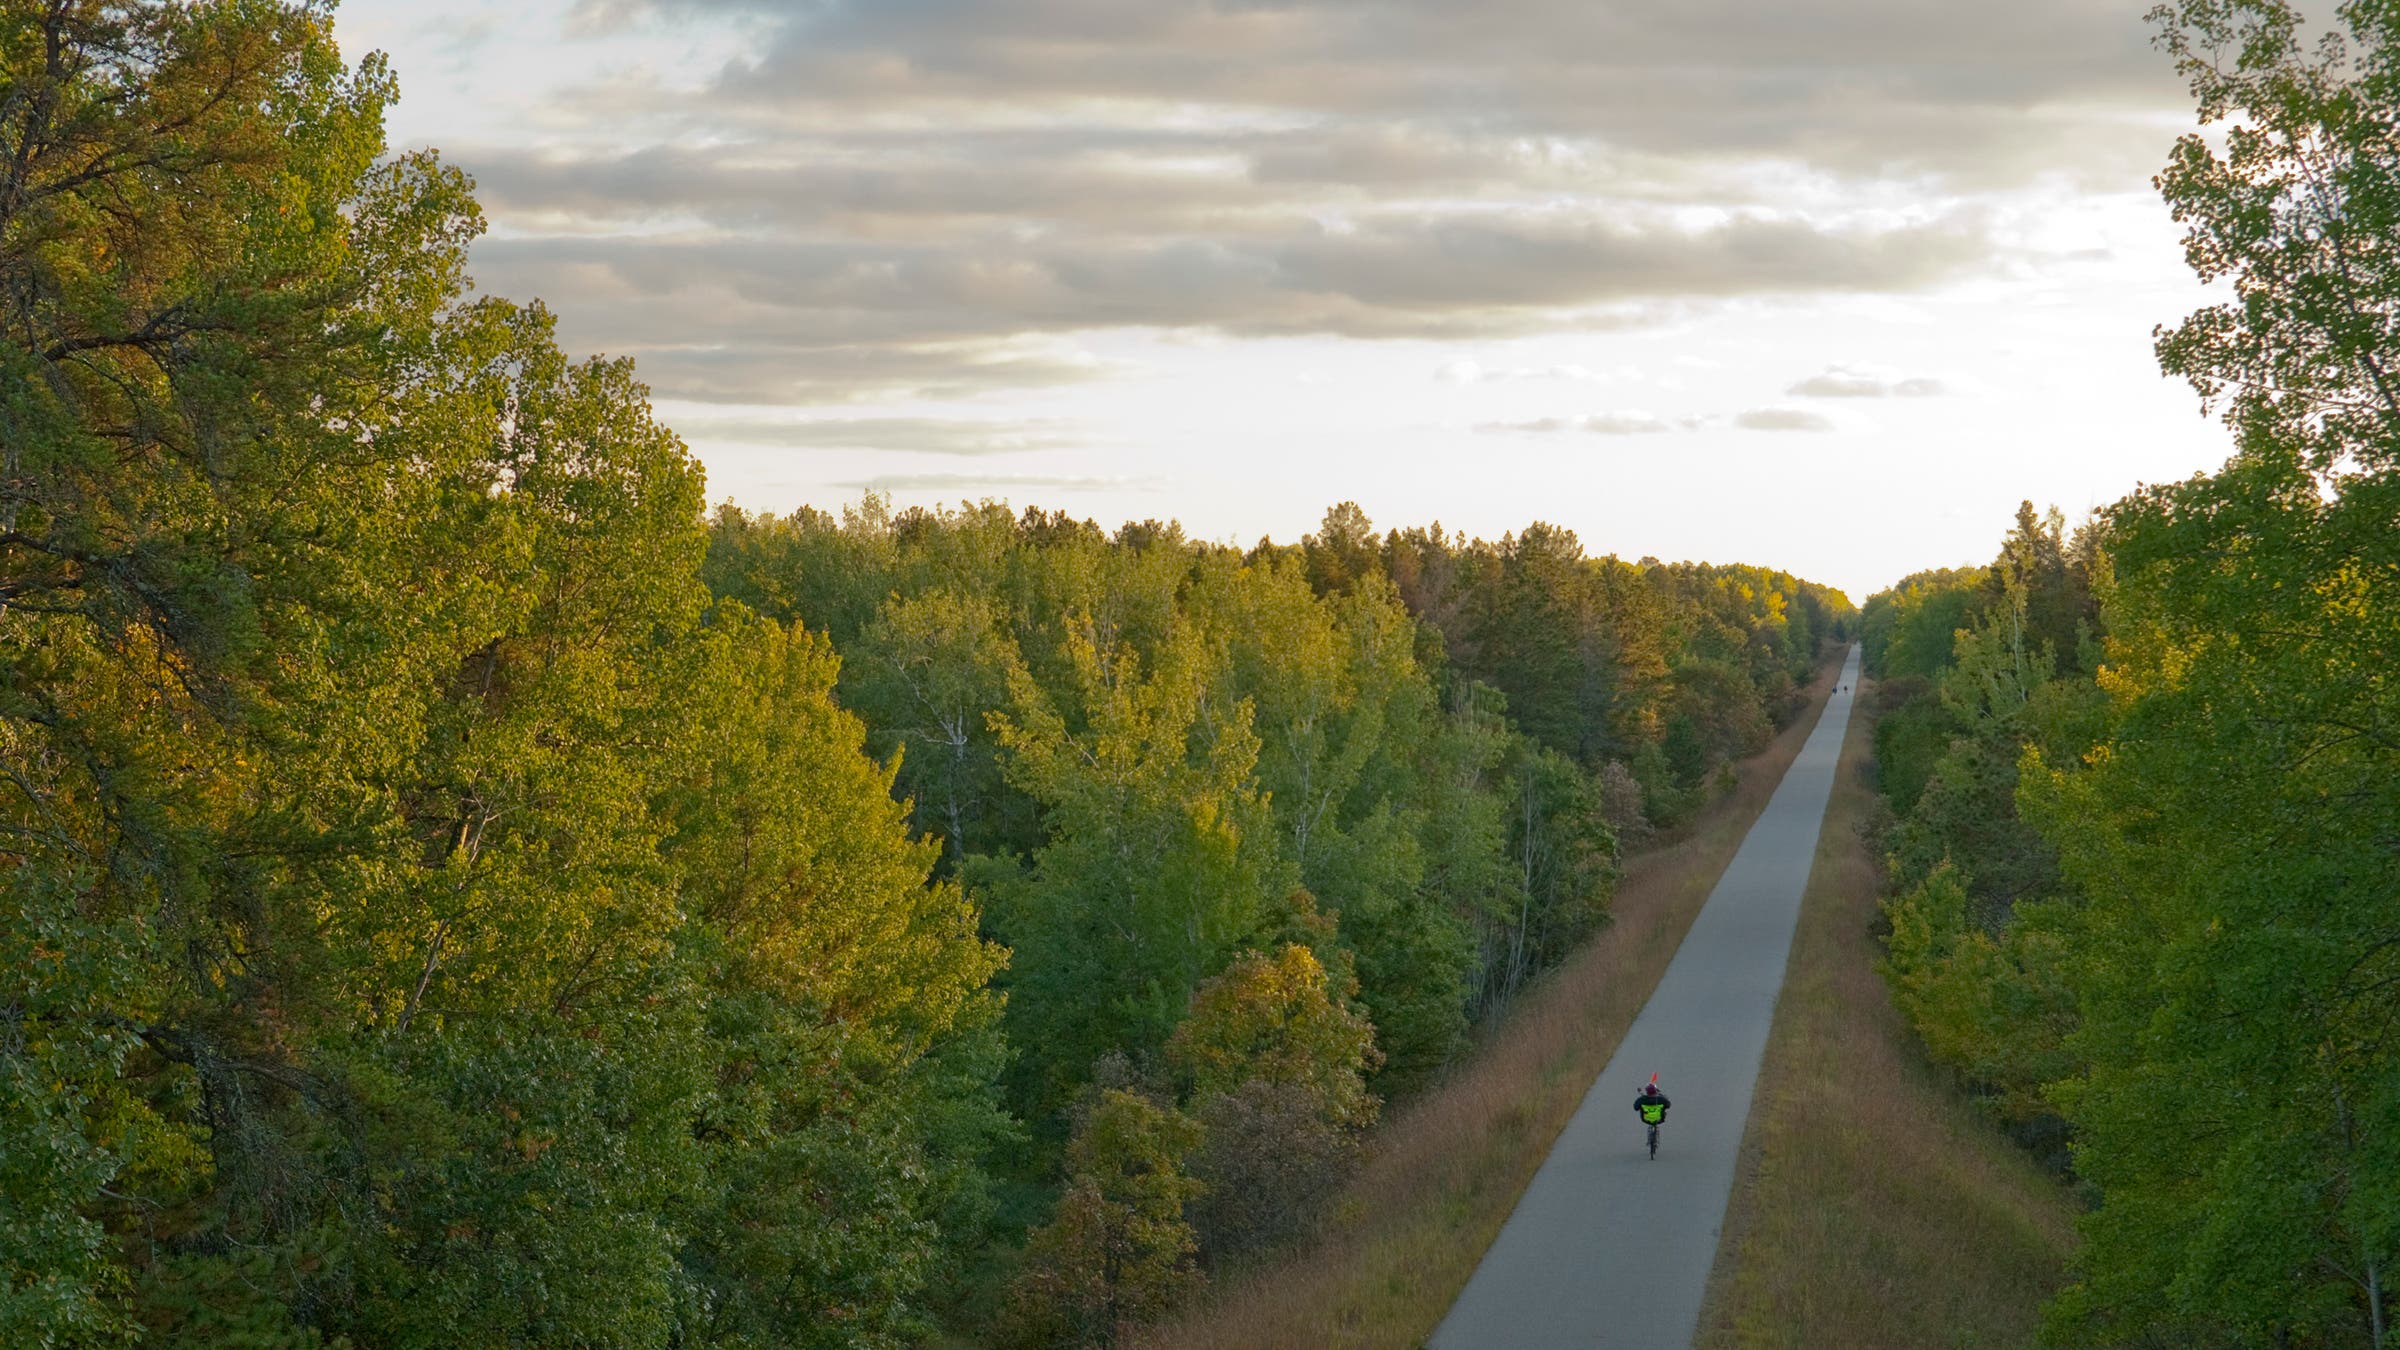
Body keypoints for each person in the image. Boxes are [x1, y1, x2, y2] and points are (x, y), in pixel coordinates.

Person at [1634, 1078, 1670, 1158]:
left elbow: (1635, 1107)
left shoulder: (1642, 1099)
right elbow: (1668, 1105)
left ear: (1647, 1092)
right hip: (1659, 1118)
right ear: (1655, 1091)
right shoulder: (1660, 1099)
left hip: (1646, 1119)